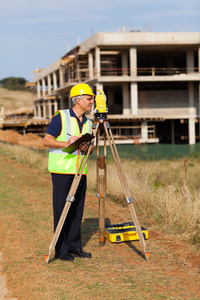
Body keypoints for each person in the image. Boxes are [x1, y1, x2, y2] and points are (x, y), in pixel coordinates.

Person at [43, 83, 95, 261]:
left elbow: (92, 150)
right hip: (62, 171)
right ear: (78, 100)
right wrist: (67, 143)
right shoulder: (61, 117)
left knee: (76, 211)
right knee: (62, 210)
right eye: (89, 99)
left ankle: (74, 246)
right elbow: (47, 140)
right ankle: (61, 249)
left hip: (81, 171)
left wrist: (88, 146)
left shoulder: (89, 122)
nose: (92, 102)